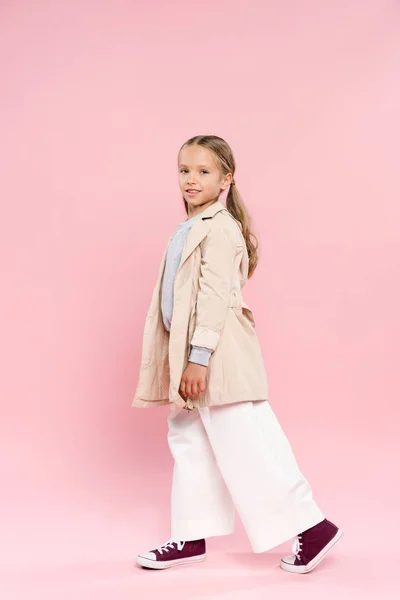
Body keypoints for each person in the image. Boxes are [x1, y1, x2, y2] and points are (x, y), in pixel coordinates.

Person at [132, 135, 343, 574]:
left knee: (246, 442)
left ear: (226, 179)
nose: (191, 179)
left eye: (203, 171)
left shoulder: (221, 227)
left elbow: (212, 298)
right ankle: (190, 535)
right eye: (184, 170)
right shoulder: (188, 226)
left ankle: (313, 526)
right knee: (190, 442)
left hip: (214, 357)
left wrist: (199, 356)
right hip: (186, 354)